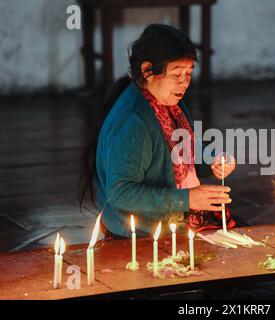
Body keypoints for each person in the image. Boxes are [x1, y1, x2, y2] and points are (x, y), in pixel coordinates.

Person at [79, 24, 236, 238]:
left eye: (189, 74)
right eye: (176, 74)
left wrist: (213, 158)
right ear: (147, 71)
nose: (184, 83)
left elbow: (184, 150)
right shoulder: (133, 122)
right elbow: (121, 193)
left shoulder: (170, 103)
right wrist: (187, 199)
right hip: (140, 233)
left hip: (174, 220)